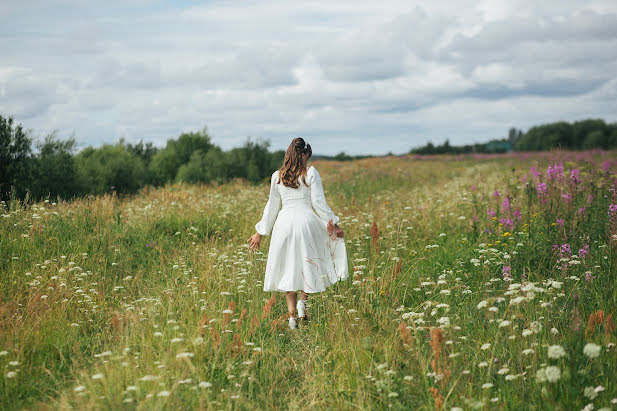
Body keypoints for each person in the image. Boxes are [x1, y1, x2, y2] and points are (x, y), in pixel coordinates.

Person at [248, 137, 348, 329]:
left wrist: (260, 233)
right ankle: (303, 302)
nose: (307, 162)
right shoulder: (310, 173)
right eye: (307, 157)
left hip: (284, 225)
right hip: (306, 223)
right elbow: (319, 202)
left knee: (288, 268)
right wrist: (333, 223)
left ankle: (292, 317)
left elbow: (272, 207)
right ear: (302, 155)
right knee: (308, 262)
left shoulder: (277, 176)